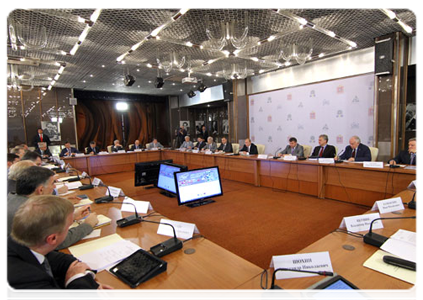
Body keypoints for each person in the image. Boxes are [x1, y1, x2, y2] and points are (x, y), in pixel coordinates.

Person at [6, 195, 113, 299]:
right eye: (68, 227)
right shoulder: (23, 282)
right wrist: (79, 279)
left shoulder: (20, 244)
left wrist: (84, 274)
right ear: (52, 239)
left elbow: (58, 259)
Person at [5, 166, 99, 249]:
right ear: (41, 190)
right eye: (52, 183)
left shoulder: (12, 198)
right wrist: (88, 225)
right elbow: (58, 242)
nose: (54, 187)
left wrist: (72, 217)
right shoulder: (29, 212)